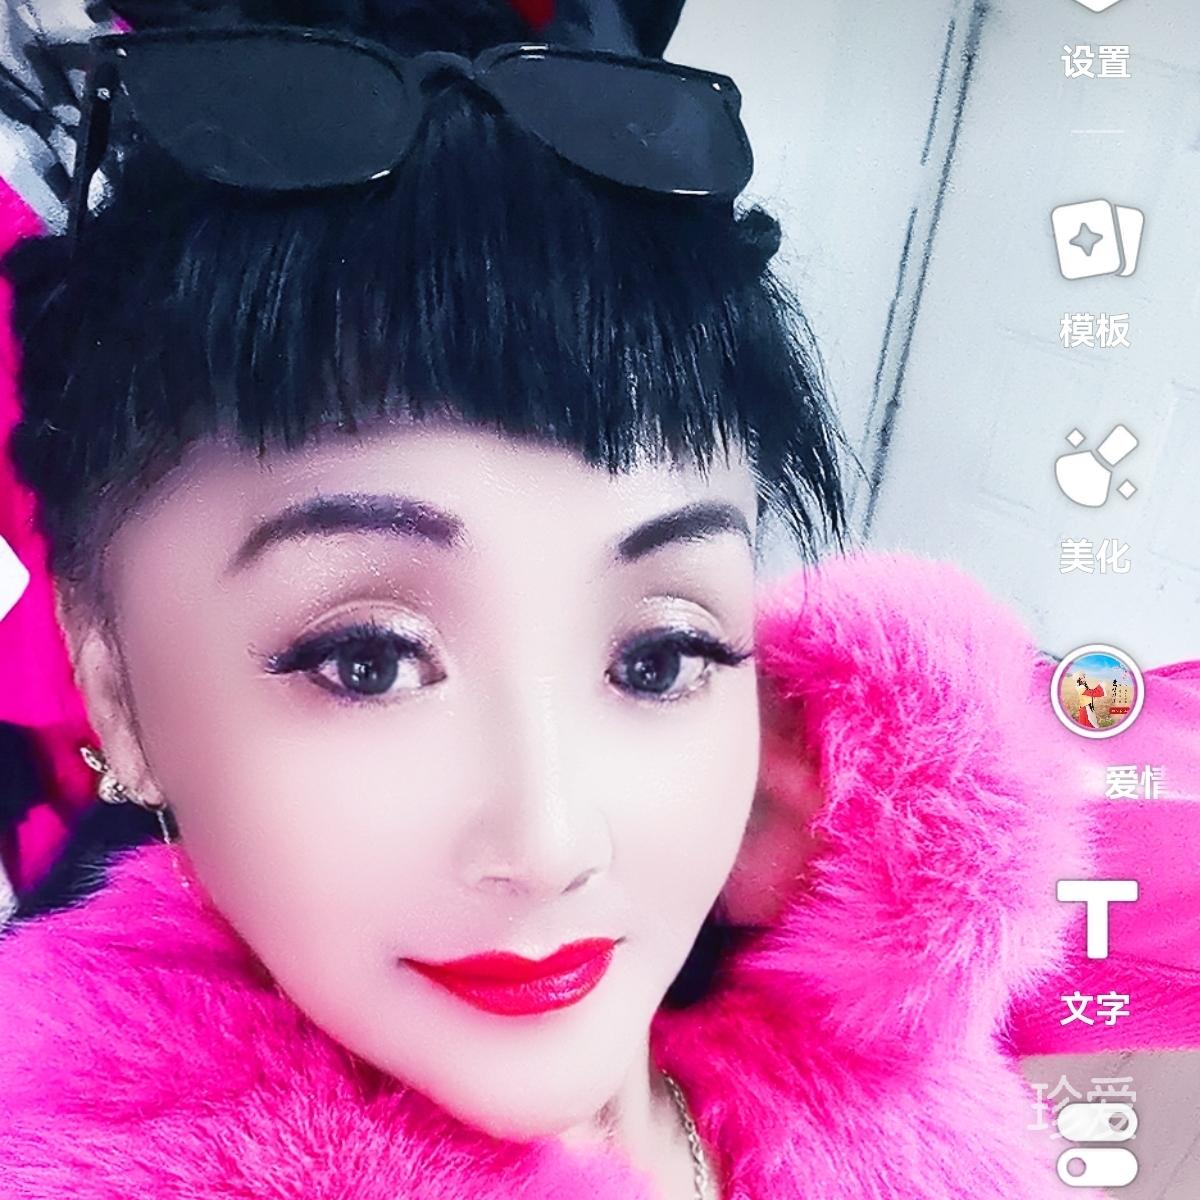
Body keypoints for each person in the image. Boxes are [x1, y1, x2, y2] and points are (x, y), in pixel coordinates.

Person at [0, 2, 1121, 1197]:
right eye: (368, 661)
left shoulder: (887, 1077)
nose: (550, 845)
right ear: (116, 693)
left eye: (659, 658)